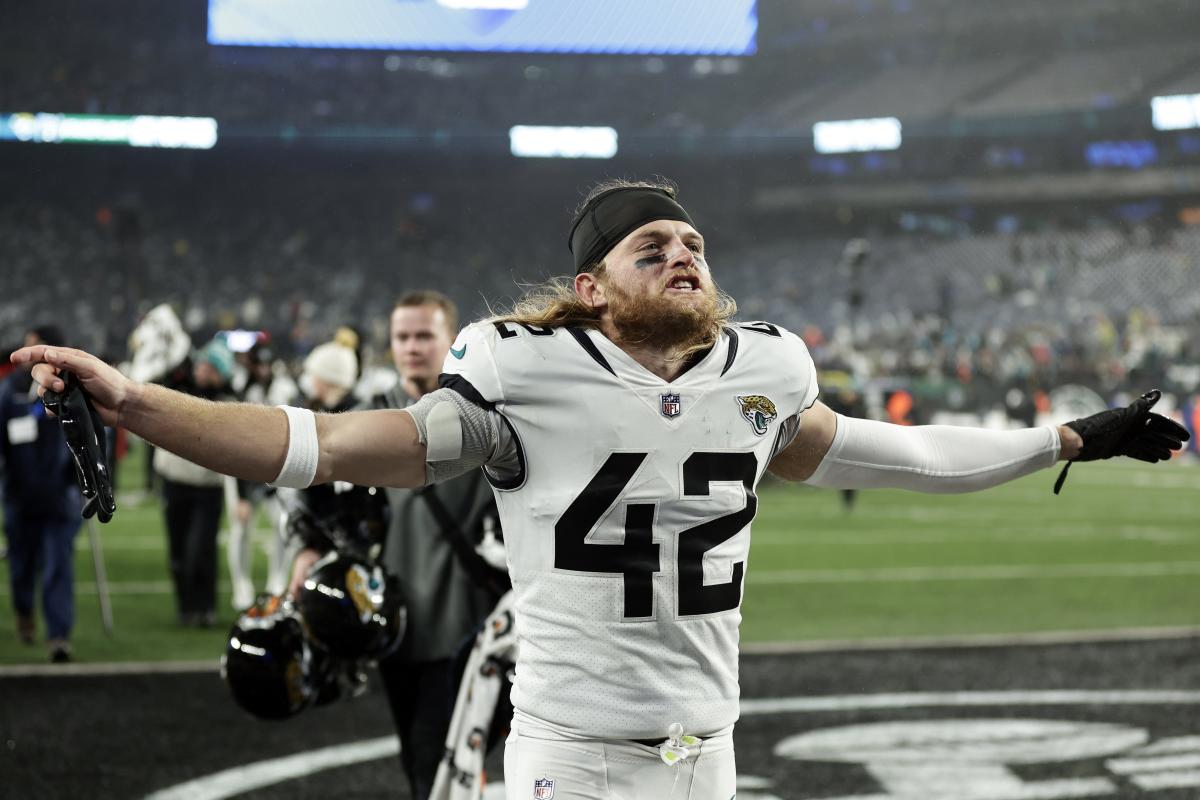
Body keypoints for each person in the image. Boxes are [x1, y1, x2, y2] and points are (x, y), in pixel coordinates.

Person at [13, 179, 1188, 799]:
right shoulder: (523, 372)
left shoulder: (763, 374)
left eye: (694, 244)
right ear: (591, 285)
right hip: (573, 755)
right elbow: (323, 440)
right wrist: (137, 402)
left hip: (709, 748)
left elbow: (912, 455)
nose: (685, 255)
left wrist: (1071, 437)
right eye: (652, 247)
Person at [287, 293, 505, 800]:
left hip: (466, 629)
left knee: (436, 765)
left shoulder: (484, 416)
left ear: (451, 341)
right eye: (402, 337)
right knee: (418, 757)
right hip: (392, 626)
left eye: (425, 335)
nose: (412, 347)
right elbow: (312, 495)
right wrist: (307, 545)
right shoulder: (367, 417)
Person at [0, 325, 84, 662]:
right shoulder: (10, 391)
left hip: (59, 498)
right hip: (19, 497)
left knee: (57, 565)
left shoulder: (69, 389)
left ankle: (58, 636)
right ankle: (24, 612)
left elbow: (90, 437)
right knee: (21, 567)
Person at [152, 336, 237, 627]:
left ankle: (206, 606)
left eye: (210, 367)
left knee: (200, 549)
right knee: (177, 550)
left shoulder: (227, 399)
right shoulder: (178, 386)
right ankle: (186, 607)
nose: (202, 370)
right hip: (174, 481)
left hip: (207, 486)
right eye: (201, 364)